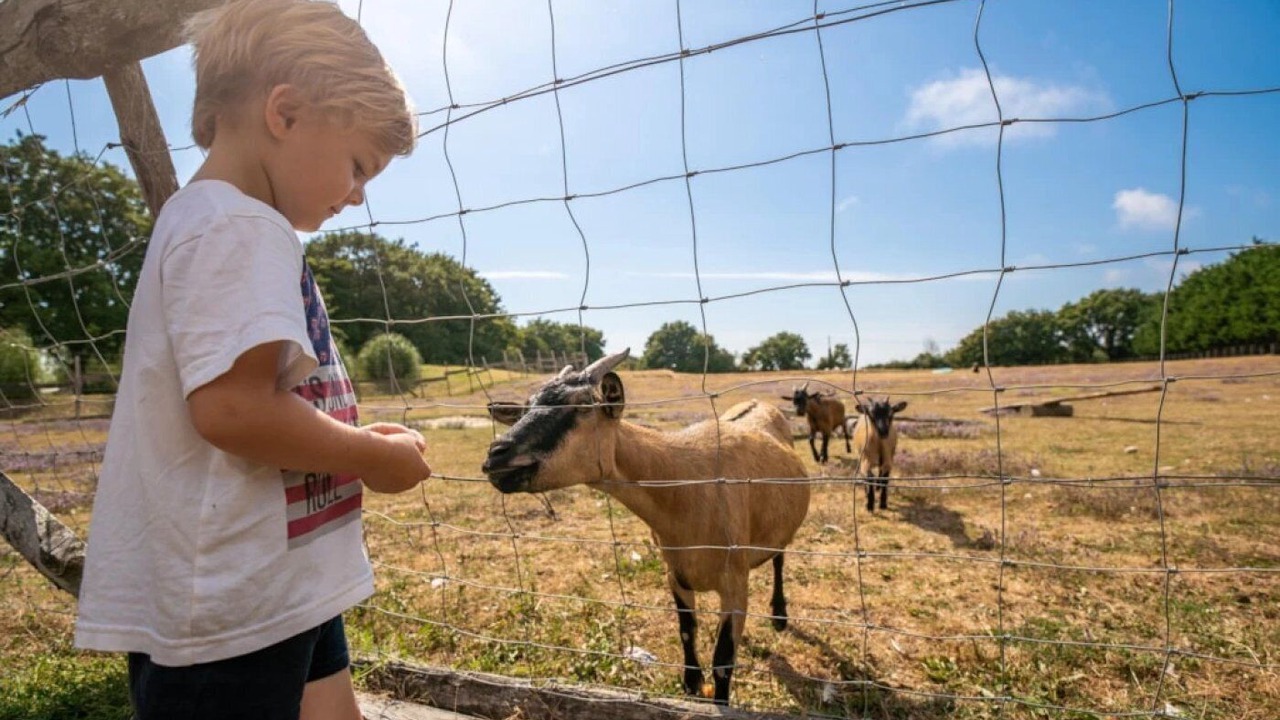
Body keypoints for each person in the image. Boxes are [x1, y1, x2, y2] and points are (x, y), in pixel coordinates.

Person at [73, 2, 431, 718]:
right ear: (286, 113)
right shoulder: (239, 226)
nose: (358, 196)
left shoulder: (213, 220)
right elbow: (233, 410)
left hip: (279, 573)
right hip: (231, 609)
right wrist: (365, 456)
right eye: (359, 166)